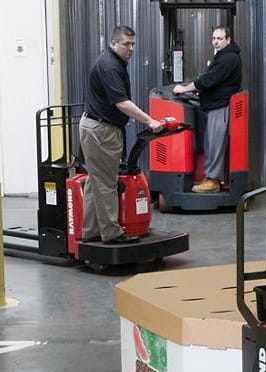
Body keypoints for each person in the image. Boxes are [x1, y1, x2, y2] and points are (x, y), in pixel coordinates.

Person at [80, 25, 162, 244]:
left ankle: (90, 231)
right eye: (126, 44)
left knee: (96, 182)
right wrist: (149, 120)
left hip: (98, 127)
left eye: (133, 44)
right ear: (113, 43)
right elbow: (122, 103)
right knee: (106, 183)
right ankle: (112, 233)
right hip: (101, 130)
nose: (131, 48)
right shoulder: (109, 66)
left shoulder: (114, 62)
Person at [173, 26, 242, 193]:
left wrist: (185, 89)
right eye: (214, 38)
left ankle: (213, 180)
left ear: (228, 40)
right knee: (210, 143)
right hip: (214, 104)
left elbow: (209, 79)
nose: (216, 42)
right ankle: (210, 176)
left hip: (221, 105)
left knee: (215, 144)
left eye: (220, 38)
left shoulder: (228, 58)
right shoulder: (223, 56)